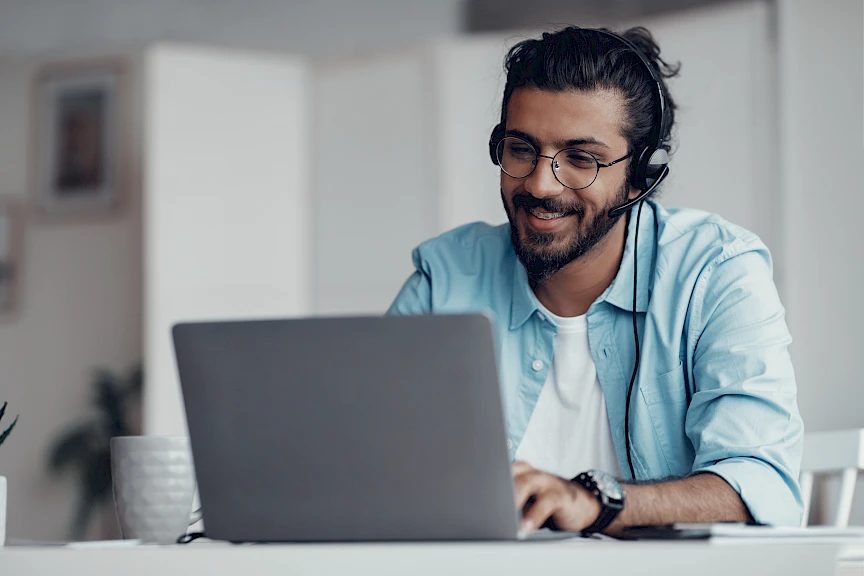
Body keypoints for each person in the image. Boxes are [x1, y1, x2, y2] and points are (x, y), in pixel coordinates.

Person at [387, 26, 803, 536]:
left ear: (640, 177)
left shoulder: (717, 272)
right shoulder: (445, 277)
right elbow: (369, 460)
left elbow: (759, 481)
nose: (541, 184)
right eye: (521, 149)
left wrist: (595, 502)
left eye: (581, 159)